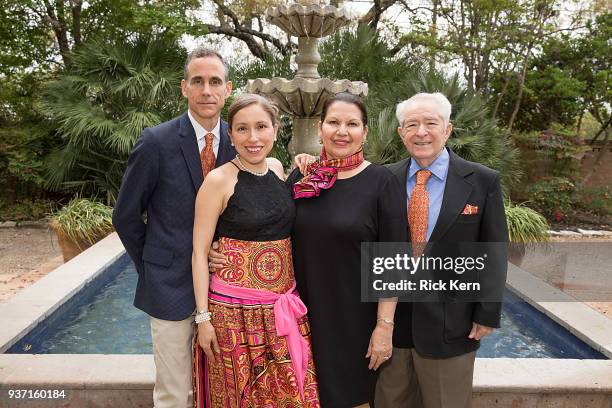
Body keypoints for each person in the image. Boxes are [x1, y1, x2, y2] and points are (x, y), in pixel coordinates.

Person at [112, 46, 235, 408]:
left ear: (228, 89)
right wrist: (152, 265)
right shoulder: (156, 141)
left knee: (225, 388)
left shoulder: (242, 140)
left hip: (228, 286)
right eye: (198, 81)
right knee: (174, 393)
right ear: (184, 88)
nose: (207, 90)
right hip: (170, 285)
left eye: (215, 81)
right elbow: (125, 215)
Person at [375, 92, 508, 408]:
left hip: (452, 322)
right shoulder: (383, 179)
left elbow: (494, 250)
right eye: (412, 124)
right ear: (401, 133)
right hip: (392, 324)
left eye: (430, 123)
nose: (421, 132)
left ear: (447, 129)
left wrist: (486, 311)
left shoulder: (482, 181)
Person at [191, 94, 320, 407]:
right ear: (230, 135)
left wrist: (305, 161)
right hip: (233, 316)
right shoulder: (218, 181)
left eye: (261, 127)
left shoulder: (277, 170)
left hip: (282, 308)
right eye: (242, 129)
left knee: (293, 396)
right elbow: (198, 252)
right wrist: (203, 319)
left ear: (276, 130)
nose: (253, 138)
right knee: (240, 398)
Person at [287, 92, 408, 407]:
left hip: (354, 322)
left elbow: (393, 262)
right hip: (300, 319)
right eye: (334, 122)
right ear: (320, 128)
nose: (342, 131)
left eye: (352, 124)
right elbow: (270, 232)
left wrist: (384, 326)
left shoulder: (382, 182)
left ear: (365, 132)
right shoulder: (301, 179)